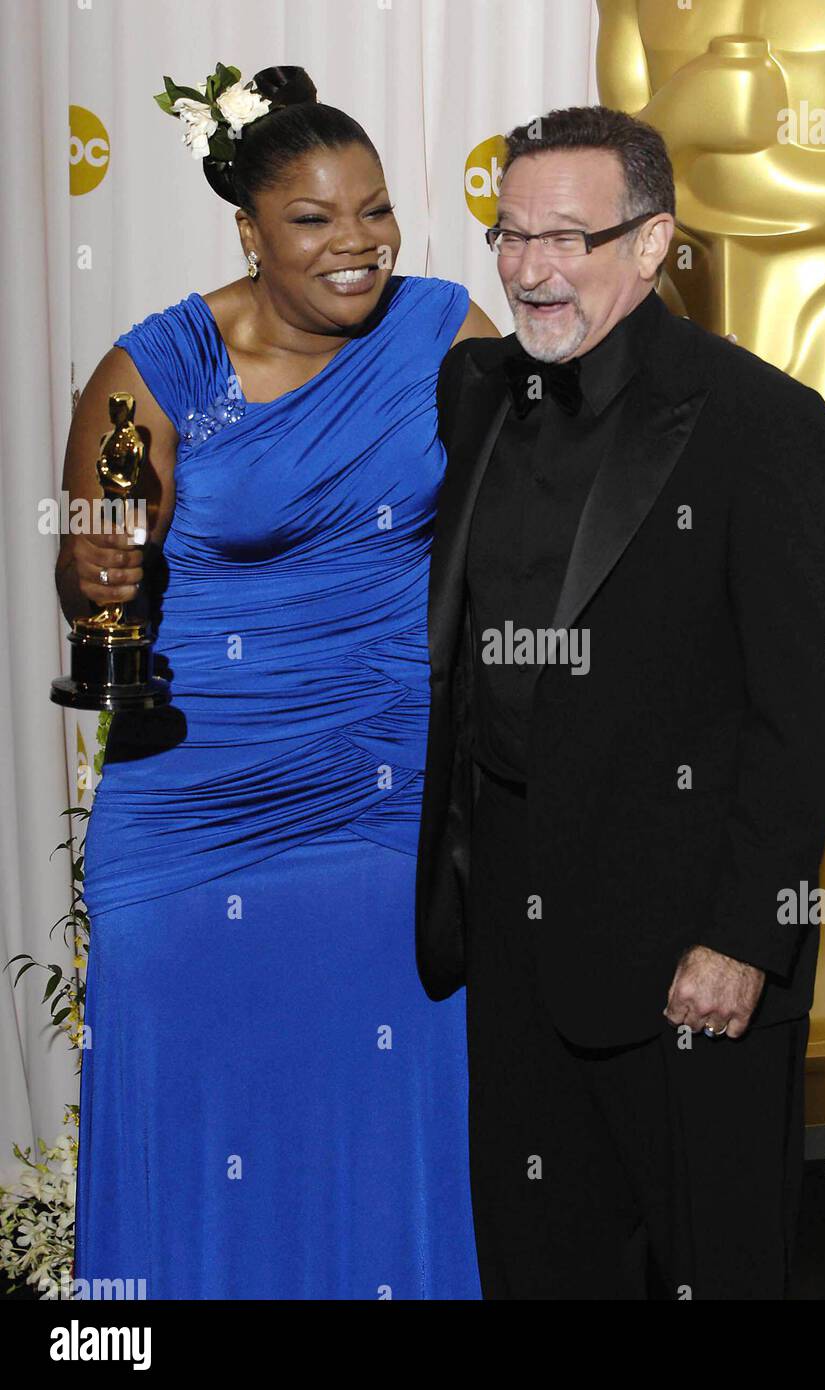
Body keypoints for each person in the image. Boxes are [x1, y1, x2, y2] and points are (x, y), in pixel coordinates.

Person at [62, 63, 498, 1299]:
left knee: (381, 1107)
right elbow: (94, 581)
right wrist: (96, 567)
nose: (357, 244)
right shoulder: (154, 368)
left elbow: (537, 505)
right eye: (314, 220)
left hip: (380, 796)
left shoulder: (442, 329)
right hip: (193, 807)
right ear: (248, 231)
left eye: (374, 210)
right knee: (195, 1097)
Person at [416, 104, 825, 1300]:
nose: (530, 269)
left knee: (718, 1270)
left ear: (655, 243)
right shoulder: (474, 388)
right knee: (537, 1262)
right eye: (509, 236)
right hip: (510, 928)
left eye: (569, 237)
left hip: (687, 952)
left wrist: (744, 937)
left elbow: (803, 705)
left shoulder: (758, 420)